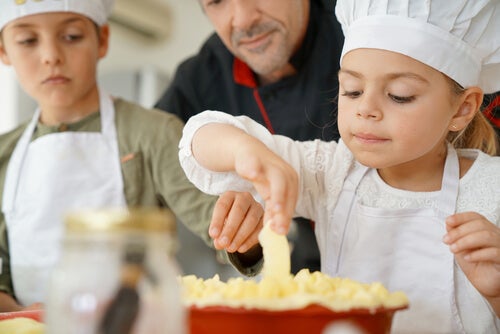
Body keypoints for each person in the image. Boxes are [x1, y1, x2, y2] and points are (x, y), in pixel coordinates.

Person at [178, 0, 500, 332]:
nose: (367, 110)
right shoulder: (331, 171)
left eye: (399, 95)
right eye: (353, 90)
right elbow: (198, 138)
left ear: (462, 109)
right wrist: (248, 152)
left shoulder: (493, 190)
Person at [0, 0, 263, 312]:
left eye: (71, 36)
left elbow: (221, 225)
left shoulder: (152, 133)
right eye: (28, 41)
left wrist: (245, 229)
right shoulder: (5, 154)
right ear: (4, 51)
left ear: (102, 40)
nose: (51, 56)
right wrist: (26, 316)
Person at [155, 0, 345, 274]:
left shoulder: (358, 27)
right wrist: (240, 228)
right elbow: (170, 152)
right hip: (304, 278)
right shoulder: (203, 75)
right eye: (217, 1)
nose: (243, 19)